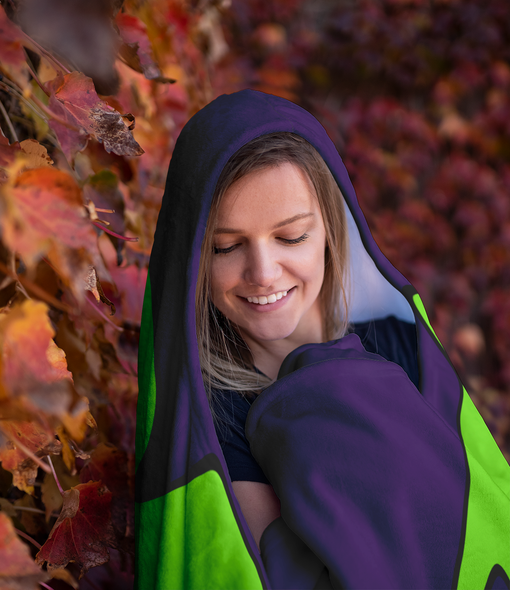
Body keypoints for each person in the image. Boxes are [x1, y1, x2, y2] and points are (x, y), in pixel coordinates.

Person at [135, 90, 510, 590]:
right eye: (225, 247)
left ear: (332, 230)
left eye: (291, 237)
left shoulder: (399, 339)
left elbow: (479, 503)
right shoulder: (210, 416)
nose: (263, 273)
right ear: (191, 258)